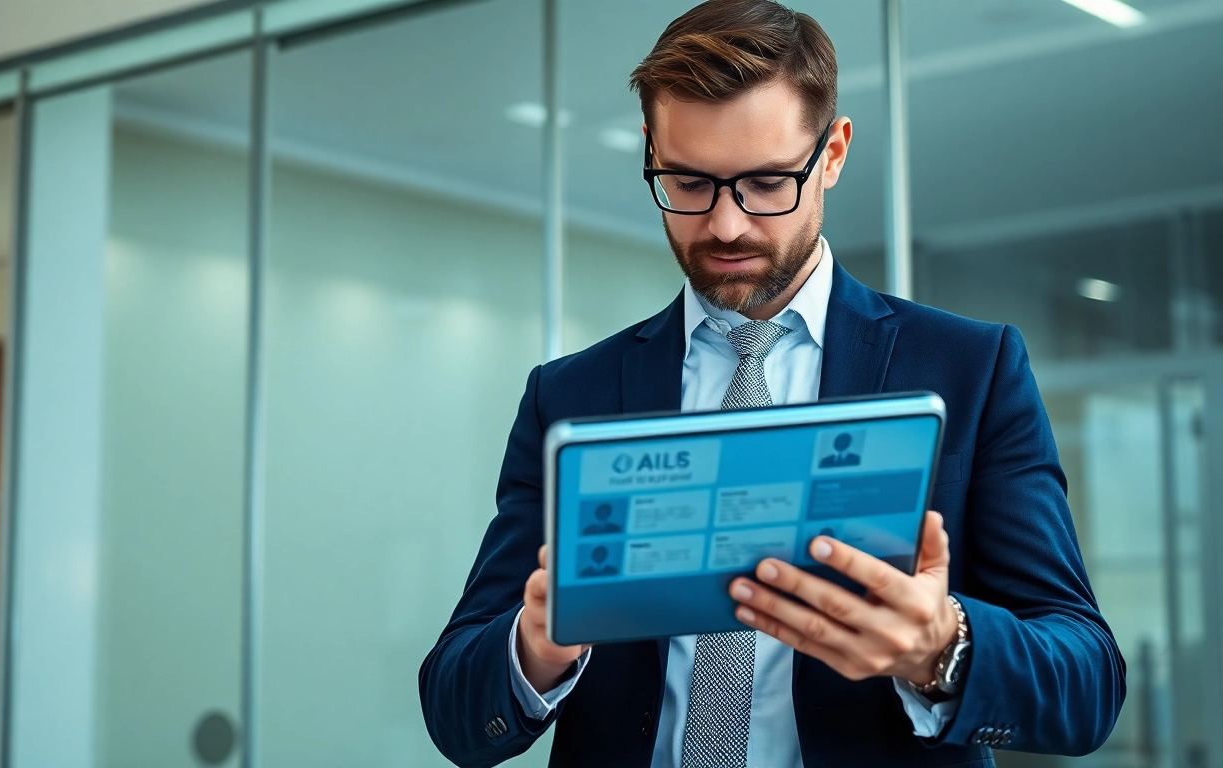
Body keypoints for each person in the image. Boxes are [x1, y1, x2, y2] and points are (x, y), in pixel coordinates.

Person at [419, 2, 1125, 766]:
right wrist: (534, 645)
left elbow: (1086, 685)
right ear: (651, 152)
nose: (725, 225)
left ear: (833, 154)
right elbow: (457, 710)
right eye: (688, 182)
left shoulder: (971, 370)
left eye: (764, 182)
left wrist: (941, 644)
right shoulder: (570, 395)